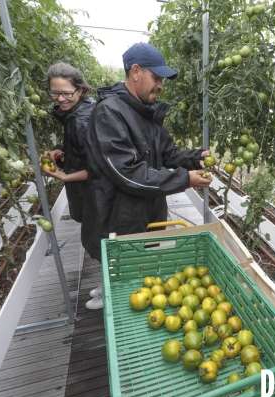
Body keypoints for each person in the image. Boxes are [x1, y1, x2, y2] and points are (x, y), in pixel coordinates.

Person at [83, 43, 213, 309]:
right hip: (119, 217)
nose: (161, 86)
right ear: (135, 72)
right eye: (156, 78)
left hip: (146, 214)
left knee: (141, 280)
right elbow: (127, 173)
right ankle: (110, 297)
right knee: (125, 287)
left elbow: (166, 154)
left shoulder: (144, 113)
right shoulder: (109, 113)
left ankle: (112, 292)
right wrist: (185, 179)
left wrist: (194, 158)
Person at [42, 62, 95, 224]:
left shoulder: (81, 122)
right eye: (54, 93)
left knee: (96, 240)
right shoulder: (81, 109)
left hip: (93, 197)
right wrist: (61, 150)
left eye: (66, 93)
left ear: (80, 90)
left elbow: (98, 169)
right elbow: (83, 150)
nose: (60, 99)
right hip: (92, 196)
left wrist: (64, 176)